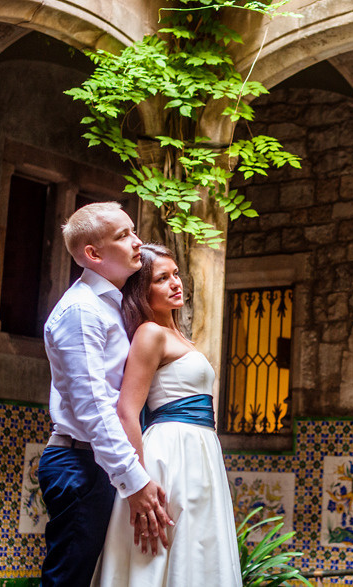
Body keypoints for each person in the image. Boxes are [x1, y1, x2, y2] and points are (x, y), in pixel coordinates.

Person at [37, 202, 173, 587]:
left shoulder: (113, 305)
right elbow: (95, 409)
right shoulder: (81, 312)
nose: (137, 241)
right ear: (93, 255)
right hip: (80, 464)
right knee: (70, 580)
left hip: (101, 464)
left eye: (133, 231)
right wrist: (136, 481)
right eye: (123, 235)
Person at [94, 243, 242, 586]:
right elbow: (127, 412)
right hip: (170, 453)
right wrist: (138, 484)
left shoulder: (181, 337)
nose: (176, 283)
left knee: (197, 550)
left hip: (200, 453)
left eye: (176, 274)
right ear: (143, 289)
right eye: (162, 278)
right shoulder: (150, 334)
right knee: (159, 550)